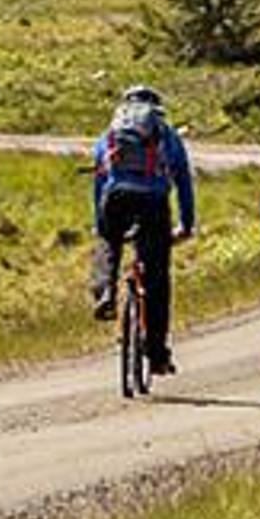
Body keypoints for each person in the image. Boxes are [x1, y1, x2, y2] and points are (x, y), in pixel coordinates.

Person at [88, 83, 195, 375]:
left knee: (108, 242)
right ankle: (157, 354)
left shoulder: (109, 134)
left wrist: (100, 223)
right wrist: (186, 224)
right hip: (153, 202)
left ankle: (104, 293)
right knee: (157, 278)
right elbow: (183, 181)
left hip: (116, 198)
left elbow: (99, 180)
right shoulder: (167, 135)